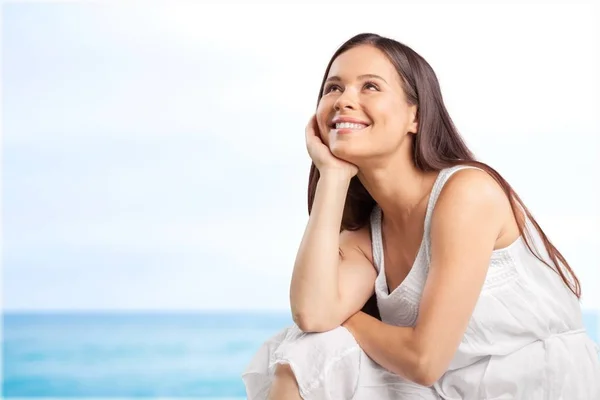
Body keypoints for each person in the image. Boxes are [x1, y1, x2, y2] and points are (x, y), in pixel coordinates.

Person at [241, 32, 600, 400]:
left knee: (321, 341)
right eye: (333, 88)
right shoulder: (369, 236)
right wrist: (332, 176)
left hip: (539, 388)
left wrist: (345, 317)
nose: (344, 100)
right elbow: (313, 316)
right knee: (306, 353)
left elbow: (425, 360)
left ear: (415, 115)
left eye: (370, 87)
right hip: (447, 390)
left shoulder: (466, 193)